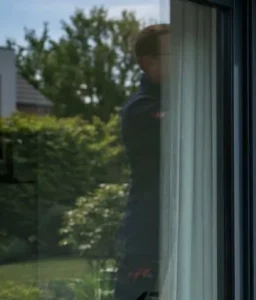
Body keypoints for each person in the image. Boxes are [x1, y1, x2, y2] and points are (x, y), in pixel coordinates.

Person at [115, 23, 170, 300]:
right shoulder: (141, 108)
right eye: (176, 55)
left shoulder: (175, 100)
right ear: (149, 63)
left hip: (169, 227)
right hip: (148, 236)